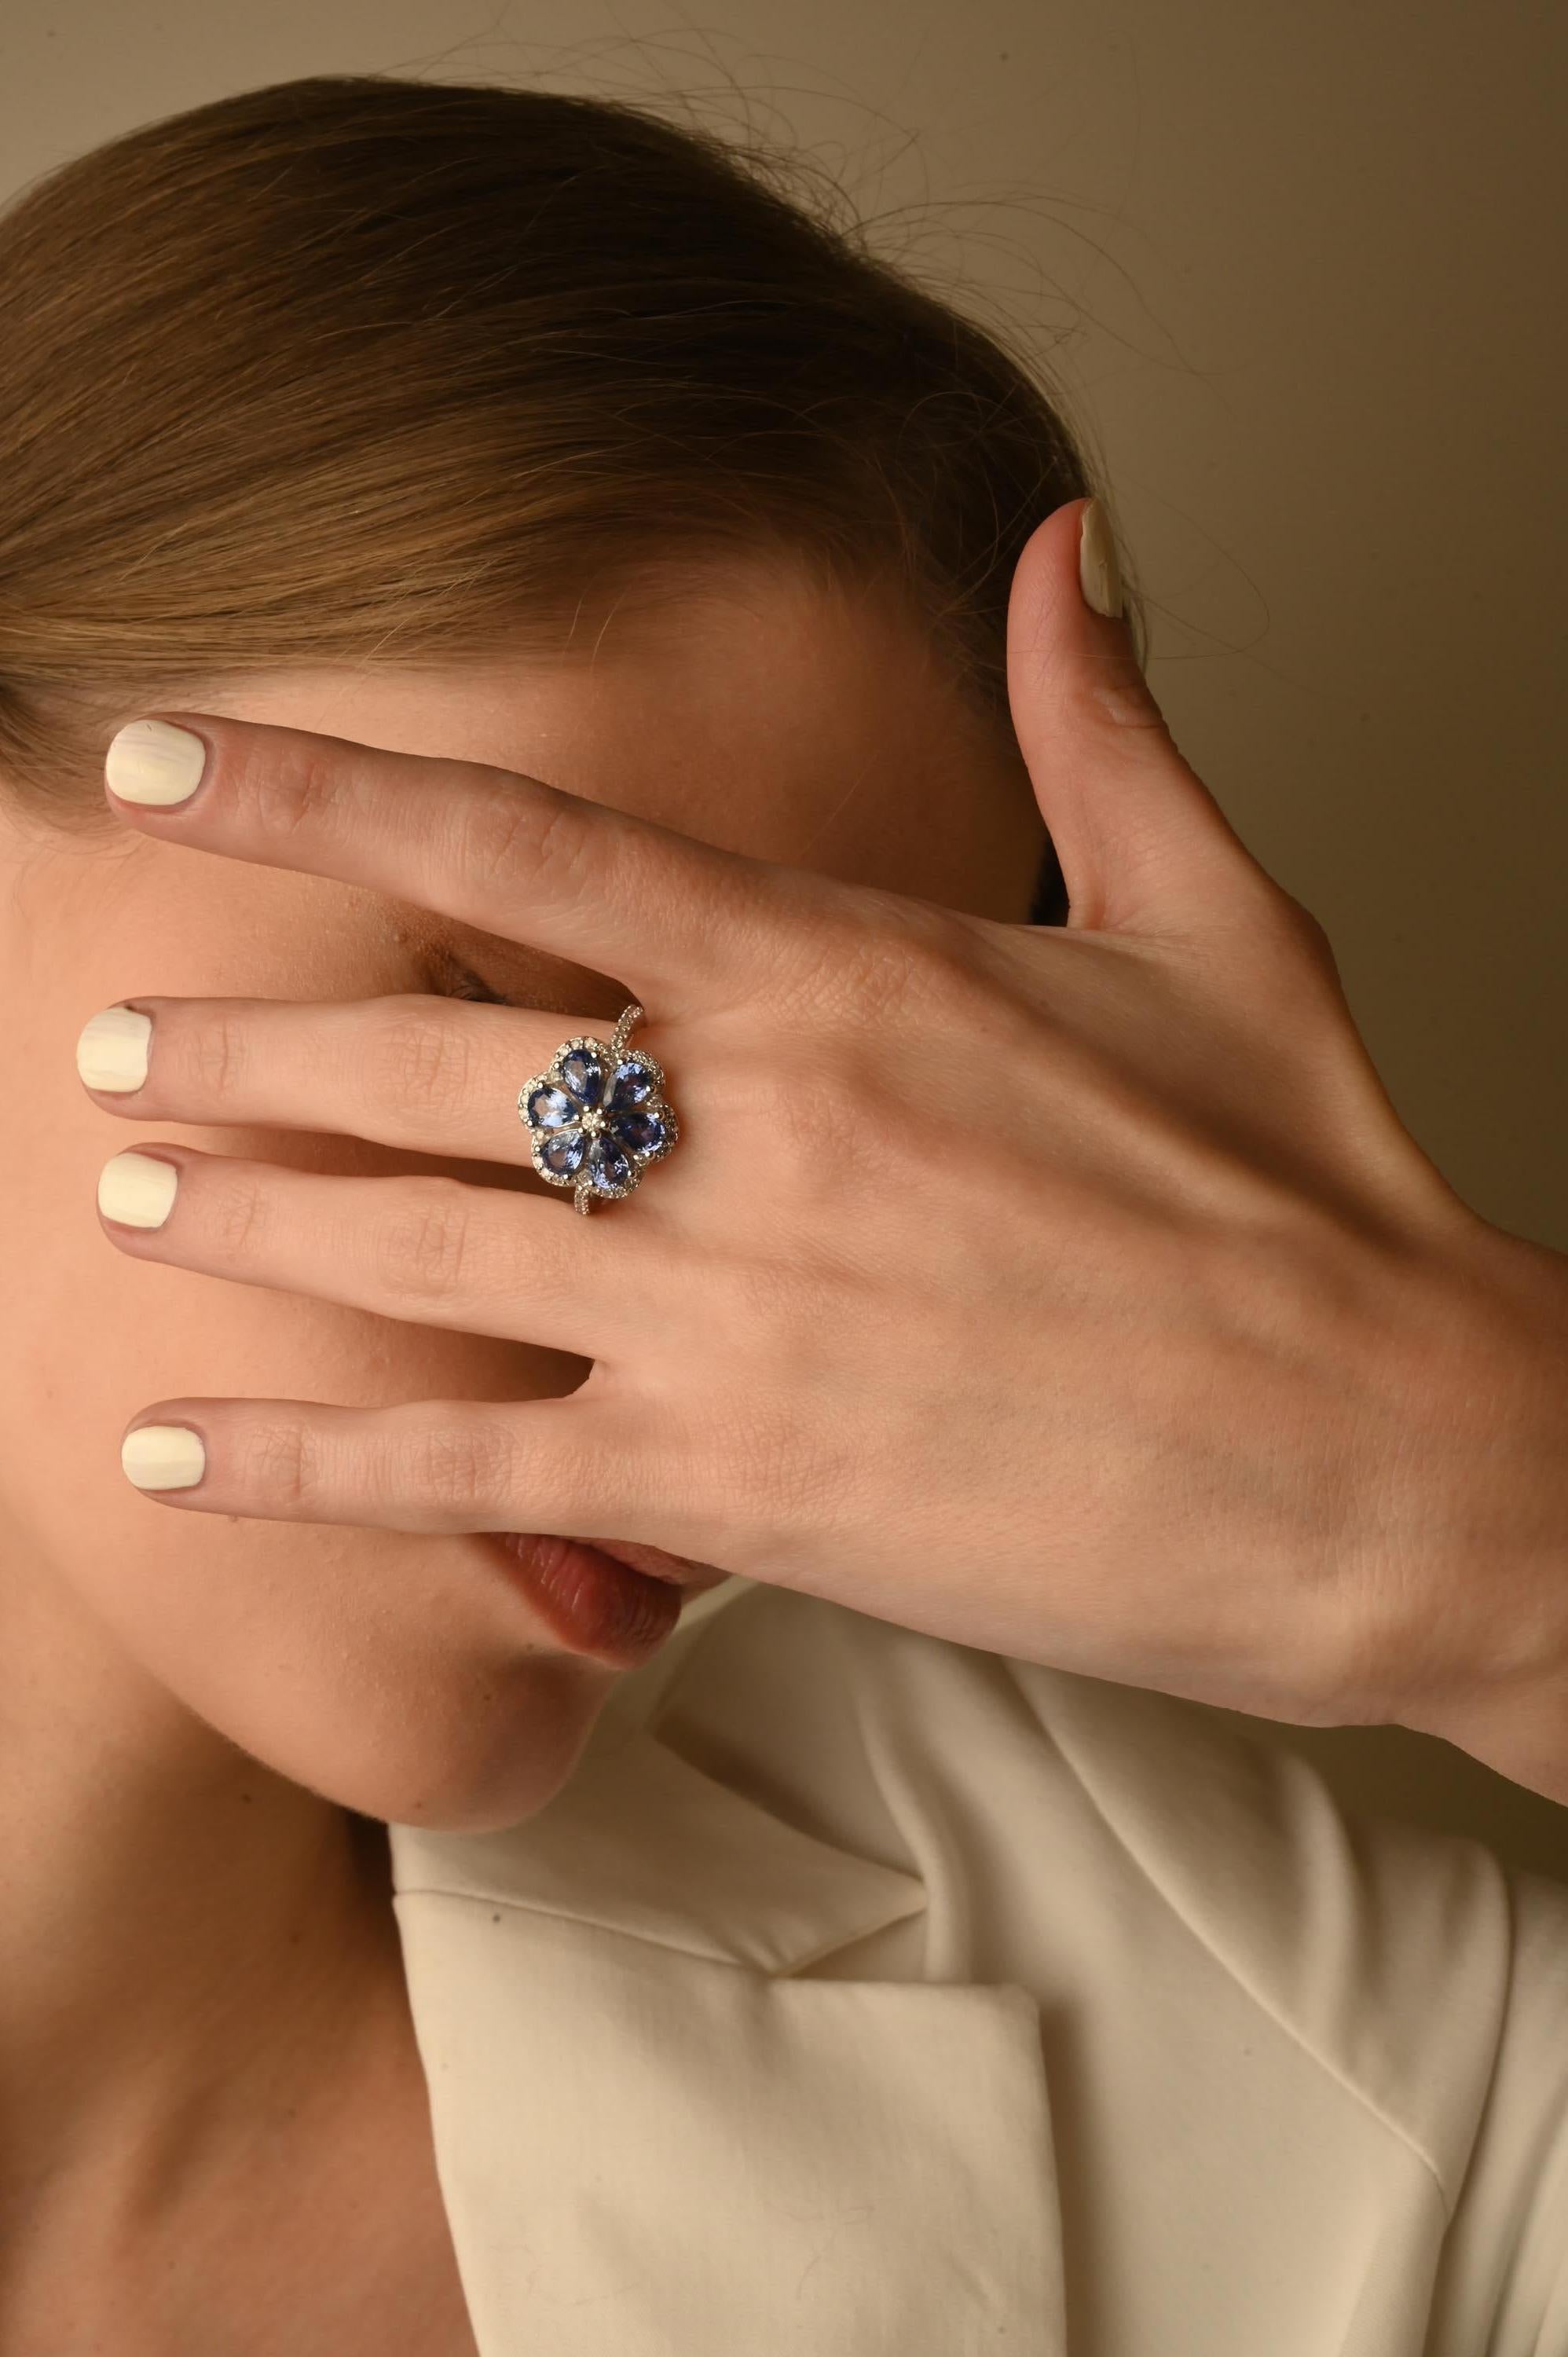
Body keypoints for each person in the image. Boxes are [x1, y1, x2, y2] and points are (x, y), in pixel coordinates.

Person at [2, 70, 1565, 2357]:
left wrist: (1497, 1521)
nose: (708, 1328)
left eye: (862, 1164)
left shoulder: (1259, 2037)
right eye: (528, 1056)